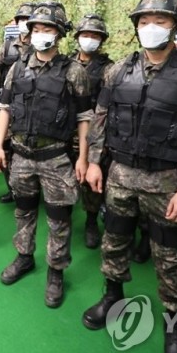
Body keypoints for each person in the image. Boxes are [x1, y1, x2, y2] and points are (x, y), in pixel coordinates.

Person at [82, 0, 177, 353]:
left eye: (159, 20)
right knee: (114, 239)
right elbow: (100, 119)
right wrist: (94, 162)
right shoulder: (118, 70)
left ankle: (175, 327)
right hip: (120, 175)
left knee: (170, 253)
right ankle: (112, 296)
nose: (151, 27)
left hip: (167, 182)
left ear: (175, 25)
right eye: (144, 20)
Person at [0, 1, 92, 308]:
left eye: (46, 28)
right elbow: (4, 108)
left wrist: (83, 158)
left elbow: (84, 117)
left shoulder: (74, 71)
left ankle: (56, 271)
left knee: (59, 218)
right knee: (23, 211)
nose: (39, 33)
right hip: (21, 155)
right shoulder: (17, 68)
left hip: (56, 158)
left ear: (59, 33)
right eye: (35, 28)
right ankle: (24, 257)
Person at [70, 14, 115, 250]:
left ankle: (90, 221)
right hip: (66, 130)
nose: (89, 39)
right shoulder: (66, 63)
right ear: (77, 37)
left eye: (95, 36)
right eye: (85, 35)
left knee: (90, 181)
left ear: (102, 40)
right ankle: (63, 216)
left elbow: (109, 107)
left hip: (94, 132)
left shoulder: (109, 69)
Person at [0, 2, 36, 204]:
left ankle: (33, 188)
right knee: (7, 146)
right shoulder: (7, 46)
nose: (24, 23)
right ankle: (12, 188)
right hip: (10, 103)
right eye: (21, 19)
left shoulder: (40, 46)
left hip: (31, 106)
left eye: (28, 19)